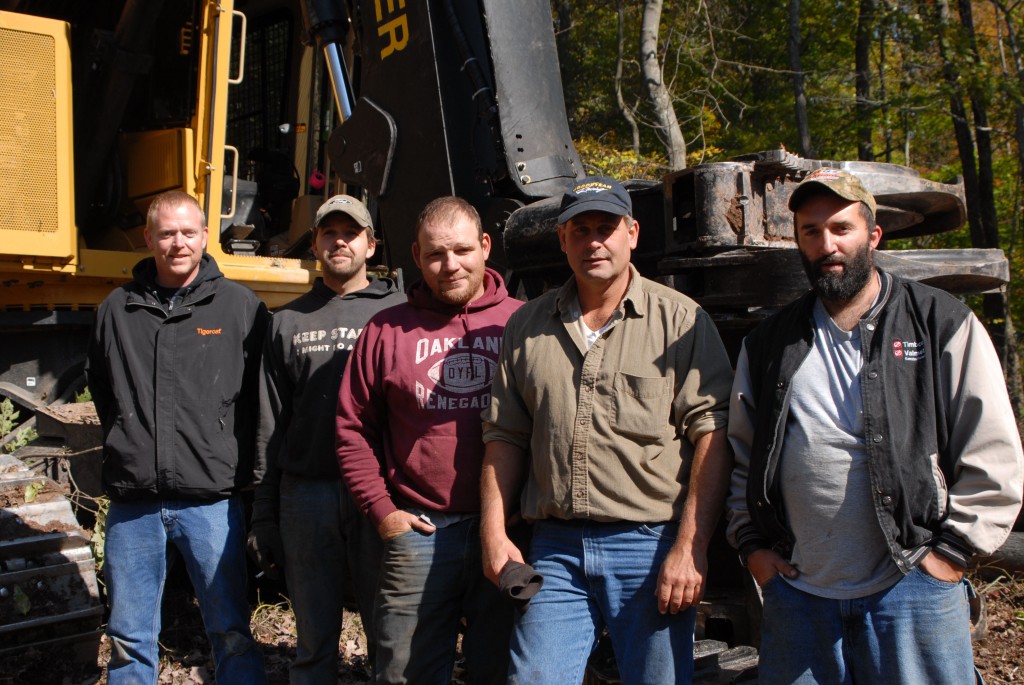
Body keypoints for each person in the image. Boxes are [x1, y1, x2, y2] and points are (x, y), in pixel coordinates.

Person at [726, 168, 1024, 684]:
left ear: (873, 235)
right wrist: (753, 546)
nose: (827, 245)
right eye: (811, 232)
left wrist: (950, 557)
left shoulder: (939, 322)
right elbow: (743, 455)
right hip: (800, 593)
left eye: (841, 228)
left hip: (913, 584)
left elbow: (993, 453)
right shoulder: (769, 343)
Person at [480, 176, 735, 685]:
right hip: (554, 549)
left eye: (606, 227)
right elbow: (504, 436)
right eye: (580, 230)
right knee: (533, 678)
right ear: (562, 240)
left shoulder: (681, 321)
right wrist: (494, 532)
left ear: (633, 233)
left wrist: (690, 546)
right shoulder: (527, 327)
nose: (594, 241)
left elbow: (713, 432)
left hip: (648, 546)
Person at [335, 196, 522, 685]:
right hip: (419, 532)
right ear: (416, 258)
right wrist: (383, 513)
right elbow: (352, 428)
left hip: (509, 531)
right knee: (403, 674)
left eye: (462, 250)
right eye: (436, 254)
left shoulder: (523, 324)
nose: (450, 265)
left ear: (485, 247)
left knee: (501, 671)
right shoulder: (386, 330)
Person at [86, 190, 269, 684]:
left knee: (230, 630)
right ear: (148, 239)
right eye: (166, 233)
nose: (178, 243)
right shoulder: (116, 310)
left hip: (209, 501)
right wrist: (130, 440)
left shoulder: (240, 308)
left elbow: (257, 400)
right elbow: (104, 391)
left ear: (206, 236)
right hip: (134, 502)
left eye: (188, 232)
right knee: (128, 636)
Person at [247, 195, 404, 684]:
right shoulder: (286, 321)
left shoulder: (399, 312)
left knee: (389, 635)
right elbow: (269, 421)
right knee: (314, 638)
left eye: (351, 232)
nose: (340, 241)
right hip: (307, 493)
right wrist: (264, 508)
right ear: (314, 243)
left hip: (381, 494)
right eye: (329, 233)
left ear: (371, 245)